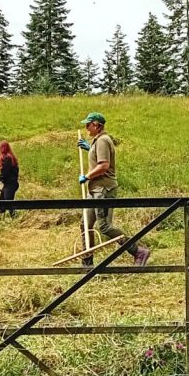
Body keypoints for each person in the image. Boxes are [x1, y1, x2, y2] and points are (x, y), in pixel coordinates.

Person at [76, 112, 151, 266]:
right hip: (94, 191)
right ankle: (87, 260)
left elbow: (103, 166)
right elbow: (99, 158)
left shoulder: (103, 140)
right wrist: (89, 148)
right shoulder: (98, 141)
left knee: (104, 226)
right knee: (85, 224)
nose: (86, 128)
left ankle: (138, 251)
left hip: (103, 190)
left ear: (97, 125)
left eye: (88, 125)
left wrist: (87, 176)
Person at [0, 141, 19, 217]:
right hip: (9, 184)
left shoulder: (8, 158)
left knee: (8, 202)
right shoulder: (10, 157)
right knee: (2, 201)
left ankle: (15, 217)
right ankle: (0, 218)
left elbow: (5, 173)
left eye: (1, 147)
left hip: (10, 184)